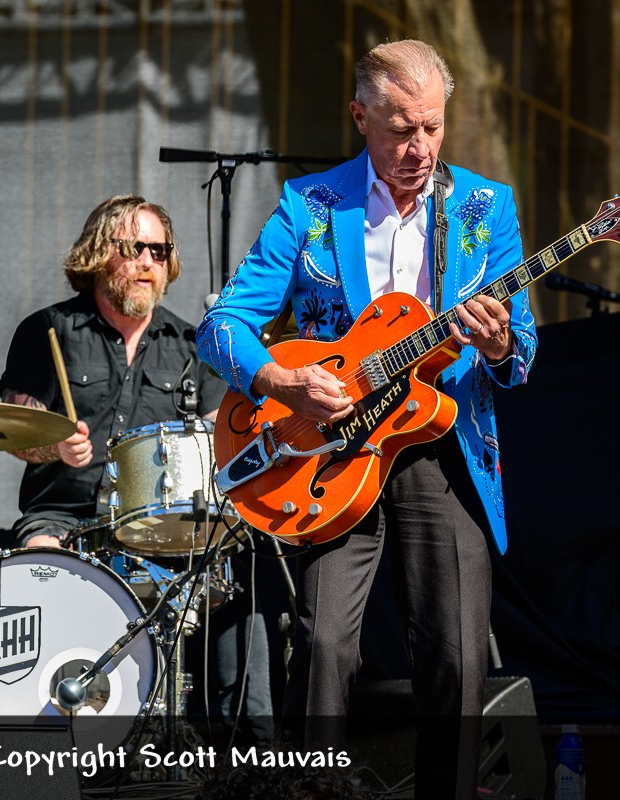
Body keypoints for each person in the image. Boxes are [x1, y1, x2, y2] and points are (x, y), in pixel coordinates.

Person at [196, 39, 537, 799]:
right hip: (328, 453)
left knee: (456, 653)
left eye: (432, 128)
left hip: (437, 442)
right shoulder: (309, 205)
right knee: (321, 643)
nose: (419, 148)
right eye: (399, 129)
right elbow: (222, 325)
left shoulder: (486, 208)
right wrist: (284, 379)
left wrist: (503, 338)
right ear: (360, 117)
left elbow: (525, 349)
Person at [0, 194, 273, 746]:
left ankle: (249, 749)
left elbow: (222, 439)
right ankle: (39, 743)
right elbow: (16, 433)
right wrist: (54, 445)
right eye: (135, 248)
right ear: (101, 254)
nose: (149, 261)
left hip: (163, 529)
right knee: (38, 568)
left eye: (160, 250)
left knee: (241, 574)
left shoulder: (194, 345)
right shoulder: (46, 330)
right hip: (65, 515)